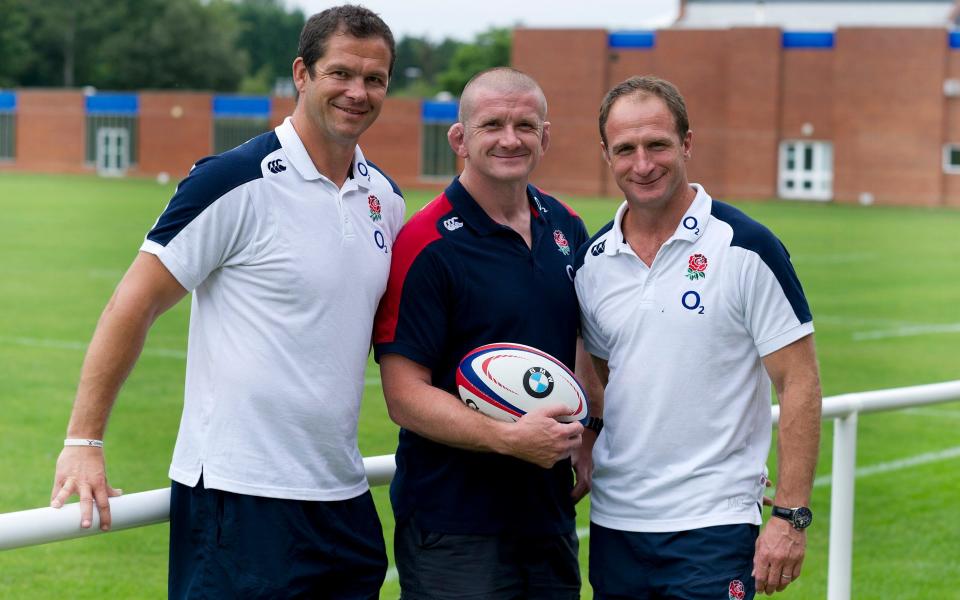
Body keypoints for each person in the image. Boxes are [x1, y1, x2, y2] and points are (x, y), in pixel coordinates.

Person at [48, 6, 404, 597]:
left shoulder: (385, 199)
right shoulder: (233, 180)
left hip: (342, 501)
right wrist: (83, 442)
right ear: (302, 74)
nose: (357, 92)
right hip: (238, 501)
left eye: (375, 79)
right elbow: (131, 305)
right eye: (341, 73)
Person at [573, 75, 822, 599]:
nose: (643, 164)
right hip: (617, 524)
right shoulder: (593, 262)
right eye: (626, 149)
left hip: (714, 525)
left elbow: (799, 382)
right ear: (606, 154)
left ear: (686, 142)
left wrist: (790, 516)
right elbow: (604, 373)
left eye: (657, 144)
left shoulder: (747, 247)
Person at [373, 67, 596, 599]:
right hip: (455, 527)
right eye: (492, 124)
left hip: (547, 517)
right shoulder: (424, 243)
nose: (510, 139)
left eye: (525, 125)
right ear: (460, 139)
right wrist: (509, 440)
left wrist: (590, 431)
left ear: (545, 136)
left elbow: (585, 343)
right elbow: (403, 396)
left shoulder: (566, 226)